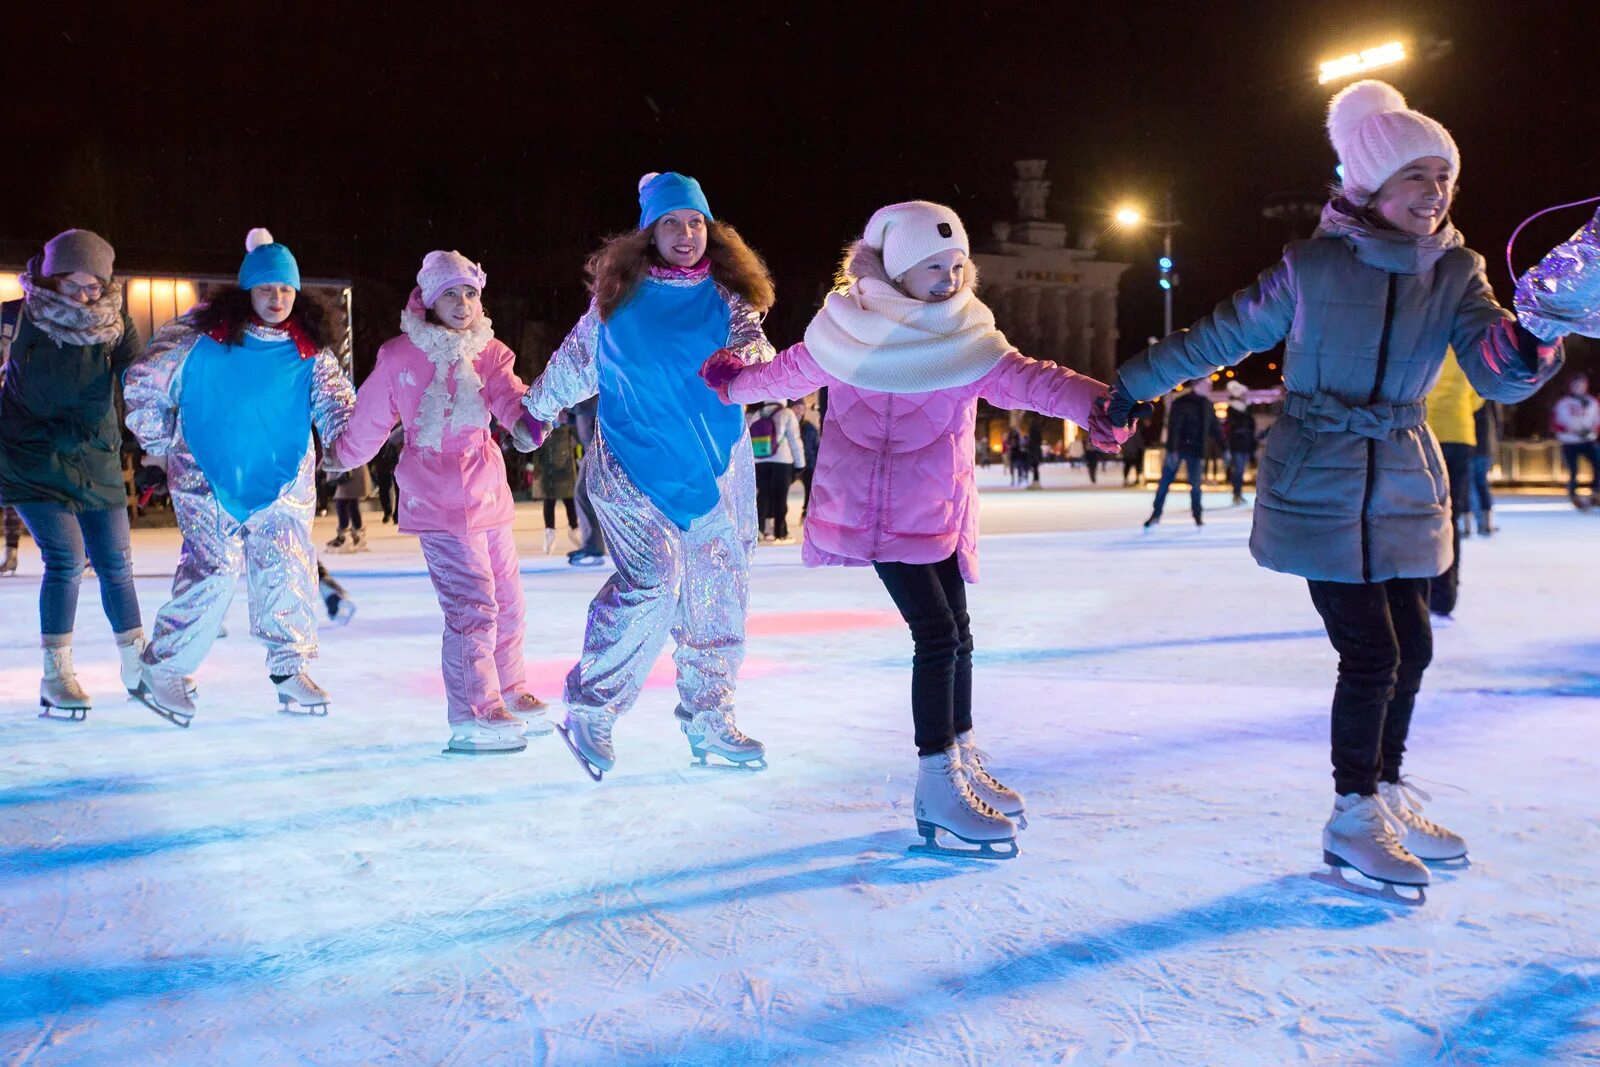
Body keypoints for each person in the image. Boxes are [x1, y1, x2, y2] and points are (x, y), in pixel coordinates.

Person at [1104, 81, 1563, 892]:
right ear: (1370, 187)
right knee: (1372, 650)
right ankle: (1352, 813)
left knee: (1414, 644)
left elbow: (1495, 370)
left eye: (1443, 178)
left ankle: (1383, 789)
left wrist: (1535, 337)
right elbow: (1224, 331)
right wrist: (1132, 383)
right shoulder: (1311, 267)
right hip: (1319, 469)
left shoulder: (1458, 271)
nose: (1433, 194)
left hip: (1404, 473)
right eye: (1414, 178)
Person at [703, 200, 1130, 857]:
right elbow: (788, 372)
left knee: (956, 632)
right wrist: (734, 383)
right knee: (936, 635)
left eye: (958, 265)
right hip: (877, 512)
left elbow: (1029, 380)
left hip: (936, 511)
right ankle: (937, 782)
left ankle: (958, 756)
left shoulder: (964, 334)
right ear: (899, 269)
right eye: (934, 267)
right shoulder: (847, 331)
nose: (950, 278)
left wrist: (1094, 401)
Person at [522, 171, 775, 780]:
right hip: (633, 463)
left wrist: (741, 361)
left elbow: (757, 347)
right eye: (671, 223)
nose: (686, 234)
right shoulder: (618, 299)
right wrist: (536, 410)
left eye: (695, 222)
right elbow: (577, 360)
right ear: (649, 233)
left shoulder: (726, 295)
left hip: (716, 468)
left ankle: (709, 715)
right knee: (655, 582)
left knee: (719, 589)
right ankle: (591, 709)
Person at [124, 229, 356, 726]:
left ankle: (291, 668)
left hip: (283, 478)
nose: (277, 298)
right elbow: (145, 379)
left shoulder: (308, 350)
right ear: (248, 289)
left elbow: (338, 407)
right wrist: (157, 446)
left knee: (287, 566)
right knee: (216, 570)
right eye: (267, 288)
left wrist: (357, 438)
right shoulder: (201, 335)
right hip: (208, 472)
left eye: (286, 289)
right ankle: (164, 667)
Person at [330, 250, 548, 754]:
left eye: (470, 292)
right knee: (473, 606)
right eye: (451, 292)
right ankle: (474, 711)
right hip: (434, 497)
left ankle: (509, 690)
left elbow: (509, 396)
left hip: (487, 491)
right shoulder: (399, 357)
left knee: (509, 604)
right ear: (429, 298)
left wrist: (525, 423)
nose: (463, 302)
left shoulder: (490, 352)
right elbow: (368, 422)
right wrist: (337, 457)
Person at [0, 229, 145, 717]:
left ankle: (138, 666)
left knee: (116, 564)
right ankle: (56, 675)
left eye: (94, 286)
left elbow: (138, 378)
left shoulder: (117, 324)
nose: (85, 295)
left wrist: (159, 422)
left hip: (96, 455)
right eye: (74, 284)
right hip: (30, 458)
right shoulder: (15, 319)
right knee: (66, 558)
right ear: (51, 277)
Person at [1424, 349, 1478, 621]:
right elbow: (1478, 396)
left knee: (1422, 514)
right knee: (1450, 516)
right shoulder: (1466, 344)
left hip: (1424, 432)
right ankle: (1446, 595)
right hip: (1460, 433)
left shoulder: (1423, 339)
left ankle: (1421, 589)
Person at [1143, 380, 1221, 528]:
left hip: (1196, 451)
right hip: (1178, 449)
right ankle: (1156, 514)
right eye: (1207, 384)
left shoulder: (1207, 405)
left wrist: (1225, 448)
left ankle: (1197, 515)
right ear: (1197, 385)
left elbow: (1215, 428)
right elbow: (1174, 427)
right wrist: (1172, 450)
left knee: (1196, 485)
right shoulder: (1181, 402)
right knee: (1165, 483)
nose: (1210, 387)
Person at [748, 398, 805, 543]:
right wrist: (800, 464)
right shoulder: (787, 413)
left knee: (763, 495)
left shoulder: (757, 414)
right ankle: (781, 532)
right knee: (781, 497)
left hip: (760, 460)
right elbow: (795, 440)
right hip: (782, 461)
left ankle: (759, 530)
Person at [566, 394, 606, 565]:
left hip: (601, 447)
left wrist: (566, 406)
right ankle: (594, 545)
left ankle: (593, 545)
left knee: (584, 493)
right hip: (595, 446)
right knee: (586, 495)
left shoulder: (593, 373)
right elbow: (586, 414)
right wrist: (569, 417)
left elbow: (591, 403)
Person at [1549, 372, 1599, 508]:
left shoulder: (1592, 402)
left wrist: (1592, 430)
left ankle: (1596, 493)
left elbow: (1597, 421)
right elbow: (1554, 424)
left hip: (1588, 440)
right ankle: (1573, 495)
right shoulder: (1563, 403)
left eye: (1581, 385)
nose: (1579, 387)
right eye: (1576, 385)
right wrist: (1569, 430)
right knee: (1573, 470)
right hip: (1570, 441)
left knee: (1597, 464)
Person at [532, 418, 580, 554]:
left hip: (565, 462)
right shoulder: (542, 414)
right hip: (547, 462)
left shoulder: (566, 415)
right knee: (549, 500)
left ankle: (574, 528)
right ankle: (550, 533)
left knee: (569, 499)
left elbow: (576, 435)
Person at [1222, 380, 1257, 504]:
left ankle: (1238, 493)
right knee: (1239, 469)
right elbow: (1232, 427)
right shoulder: (1233, 408)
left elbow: (1251, 427)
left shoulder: (1246, 408)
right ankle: (1237, 494)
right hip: (1236, 444)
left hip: (1245, 444)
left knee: (1241, 470)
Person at [1469, 400, 1499, 535]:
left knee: (1469, 484)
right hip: (1486, 446)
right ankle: (1486, 523)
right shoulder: (1488, 395)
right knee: (1481, 483)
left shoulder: (1465, 393)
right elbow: (1497, 423)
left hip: (1469, 443)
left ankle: (1470, 521)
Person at [327, 461, 370, 552]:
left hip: (348, 472)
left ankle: (345, 537)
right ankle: (357, 536)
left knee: (342, 502)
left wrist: (321, 466)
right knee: (351, 503)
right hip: (352, 469)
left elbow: (332, 451)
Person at [790, 398, 819, 519]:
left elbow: (815, 445)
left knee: (810, 485)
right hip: (791, 463)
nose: (799, 412)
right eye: (797, 408)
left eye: (802, 409)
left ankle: (806, 510)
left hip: (808, 463)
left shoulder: (809, 427)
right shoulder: (788, 424)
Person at [372, 423, 403, 523]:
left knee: (398, 490)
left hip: (395, 462)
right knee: (385, 488)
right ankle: (388, 512)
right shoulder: (381, 427)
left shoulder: (400, 428)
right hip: (385, 461)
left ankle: (396, 515)